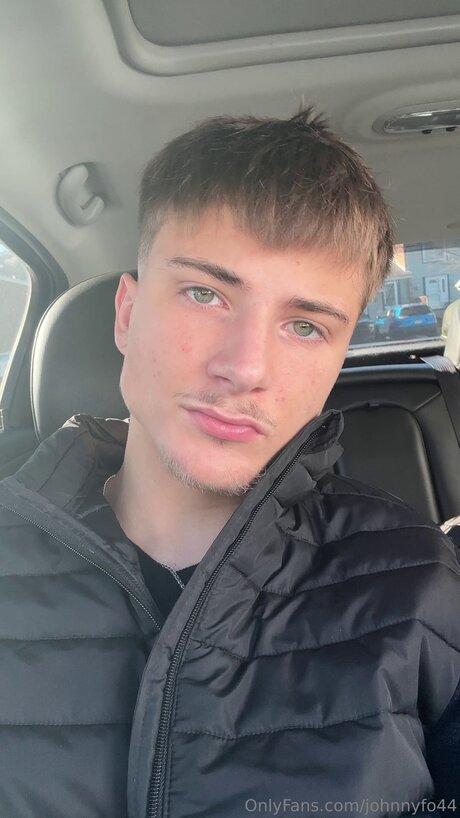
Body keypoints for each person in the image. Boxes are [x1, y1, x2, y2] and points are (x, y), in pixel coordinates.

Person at [0, 109, 459, 818]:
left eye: (304, 326)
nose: (245, 368)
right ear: (126, 314)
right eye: (205, 293)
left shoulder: (424, 585)